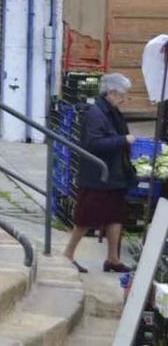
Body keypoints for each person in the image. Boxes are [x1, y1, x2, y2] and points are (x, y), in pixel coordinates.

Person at [64, 73, 137, 274]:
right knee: (86, 218)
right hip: (97, 176)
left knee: (116, 216)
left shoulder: (113, 112)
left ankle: (113, 259)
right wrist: (123, 140)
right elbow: (93, 144)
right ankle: (68, 255)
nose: (125, 99)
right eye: (123, 95)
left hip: (114, 174)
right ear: (111, 93)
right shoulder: (96, 114)